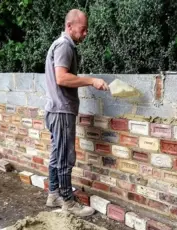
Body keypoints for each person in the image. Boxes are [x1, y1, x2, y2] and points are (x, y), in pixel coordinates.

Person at [44, 9, 109, 217]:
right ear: (69, 26)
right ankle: (68, 202)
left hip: (55, 109)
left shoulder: (60, 44)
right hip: (62, 111)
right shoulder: (65, 45)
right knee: (65, 158)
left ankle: (54, 194)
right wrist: (91, 80)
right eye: (83, 29)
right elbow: (61, 78)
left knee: (57, 155)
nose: (85, 34)